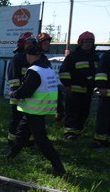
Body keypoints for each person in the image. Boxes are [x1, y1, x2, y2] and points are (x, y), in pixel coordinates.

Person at [7, 42, 66, 176]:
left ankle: (59, 169)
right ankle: (10, 157)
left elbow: (27, 91)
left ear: (28, 55)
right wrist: (60, 109)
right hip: (35, 110)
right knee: (21, 135)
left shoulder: (34, 71)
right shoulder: (48, 69)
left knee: (41, 141)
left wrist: (14, 94)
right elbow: (57, 90)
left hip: (35, 111)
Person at [59, 31, 98, 140]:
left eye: (90, 42)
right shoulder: (73, 56)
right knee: (72, 112)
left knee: (83, 113)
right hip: (74, 91)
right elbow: (64, 72)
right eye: (85, 41)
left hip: (88, 91)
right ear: (80, 43)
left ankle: (78, 132)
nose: (88, 44)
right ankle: (69, 133)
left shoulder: (94, 57)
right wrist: (67, 86)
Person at [7, 31, 35, 142]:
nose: (31, 45)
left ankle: (25, 140)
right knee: (17, 119)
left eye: (33, 43)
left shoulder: (32, 58)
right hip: (18, 95)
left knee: (27, 120)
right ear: (22, 44)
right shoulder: (17, 58)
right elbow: (14, 80)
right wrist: (18, 94)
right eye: (28, 43)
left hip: (29, 95)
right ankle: (12, 141)